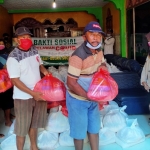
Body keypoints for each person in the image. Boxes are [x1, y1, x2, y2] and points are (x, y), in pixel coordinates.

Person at [66, 21, 107, 150]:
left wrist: (103, 69)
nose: (96, 37)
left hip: (93, 97)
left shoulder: (98, 50)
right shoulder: (78, 56)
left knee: (94, 128)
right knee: (79, 131)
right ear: (84, 37)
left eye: (98, 35)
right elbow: (71, 83)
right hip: (78, 99)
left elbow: (102, 64)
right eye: (92, 34)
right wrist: (89, 96)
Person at [6, 27, 49, 150]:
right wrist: (32, 93)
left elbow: (39, 64)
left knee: (34, 123)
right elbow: (15, 80)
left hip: (38, 93)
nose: (27, 39)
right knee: (22, 126)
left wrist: (45, 72)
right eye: (23, 37)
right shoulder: (13, 57)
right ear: (17, 40)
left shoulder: (34, 50)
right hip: (23, 97)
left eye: (29, 37)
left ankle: (33, 146)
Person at [0, 39, 14, 128]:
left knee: (8, 99)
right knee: (5, 100)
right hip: (2, 82)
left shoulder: (5, 54)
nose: (1, 45)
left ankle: (9, 115)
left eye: (2, 43)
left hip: (7, 80)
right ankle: (7, 120)